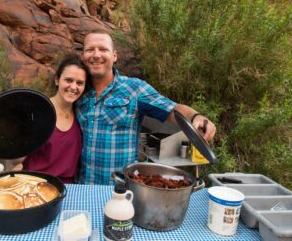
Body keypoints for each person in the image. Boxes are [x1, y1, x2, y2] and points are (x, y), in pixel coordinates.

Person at [75, 29, 217, 185]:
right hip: (83, 186)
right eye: (90, 50)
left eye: (103, 49)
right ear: (82, 56)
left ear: (114, 56)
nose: (96, 55)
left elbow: (171, 109)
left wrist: (195, 117)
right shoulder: (77, 90)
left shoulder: (134, 89)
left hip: (121, 189)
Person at [11, 54, 90, 183]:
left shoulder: (81, 113)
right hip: (34, 185)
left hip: (69, 188)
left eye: (80, 83)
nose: (74, 87)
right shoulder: (37, 111)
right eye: (68, 80)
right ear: (57, 80)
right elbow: (15, 158)